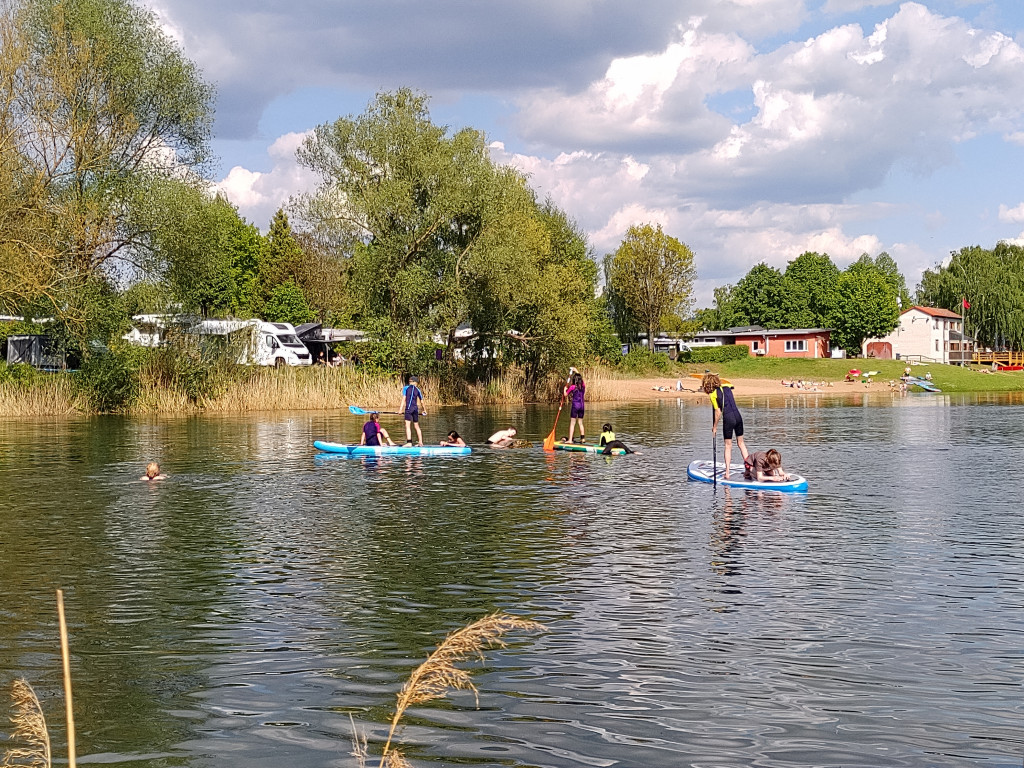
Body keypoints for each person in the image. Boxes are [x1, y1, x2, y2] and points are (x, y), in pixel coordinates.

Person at [701, 372, 749, 479]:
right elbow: (730, 385)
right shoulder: (727, 387)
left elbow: (718, 412)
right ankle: (749, 468)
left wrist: (714, 427)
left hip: (729, 418)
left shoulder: (713, 395)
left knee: (728, 445)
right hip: (738, 416)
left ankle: (727, 473)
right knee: (741, 443)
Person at [398, 375, 426, 446]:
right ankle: (420, 442)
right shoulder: (418, 390)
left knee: (407, 425)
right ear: (415, 382)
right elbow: (422, 401)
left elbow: (404, 399)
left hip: (408, 408)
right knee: (416, 426)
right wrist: (424, 410)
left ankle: (409, 442)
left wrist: (400, 409)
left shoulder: (406, 388)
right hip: (415, 409)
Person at [564, 368, 586, 443]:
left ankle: (570, 440)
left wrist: (564, 389)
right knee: (580, 422)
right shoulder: (583, 386)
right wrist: (575, 370)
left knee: (572, 423)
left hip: (575, 406)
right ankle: (583, 438)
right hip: (582, 406)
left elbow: (565, 394)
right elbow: (580, 377)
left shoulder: (572, 387)